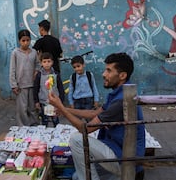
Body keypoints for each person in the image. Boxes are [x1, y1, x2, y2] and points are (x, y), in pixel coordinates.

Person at [48, 52, 145, 180]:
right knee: (77, 176)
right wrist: (65, 109)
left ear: (122, 75)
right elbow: (94, 113)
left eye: (109, 71)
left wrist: (61, 107)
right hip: (114, 150)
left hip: (123, 158)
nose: (104, 74)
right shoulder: (118, 93)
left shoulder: (121, 100)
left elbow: (85, 129)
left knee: (76, 139)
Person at [9, 29, 40, 126]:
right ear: (19, 41)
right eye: (23, 40)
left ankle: (35, 125)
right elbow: (12, 69)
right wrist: (13, 85)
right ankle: (23, 128)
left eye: (28, 40)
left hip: (32, 84)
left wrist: (36, 72)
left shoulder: (34, 52)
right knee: (22, 108)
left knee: (33, 108)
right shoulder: (15, 53)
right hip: (20, 85)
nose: (26, 43)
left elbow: (38, 65)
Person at [33, 52, 64, 127]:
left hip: (55, 102)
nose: (47, 64)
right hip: (44, 102)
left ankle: (57, 135)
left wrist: (61, 102)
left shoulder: (56, 74)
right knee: (45, 121)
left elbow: (60, 88)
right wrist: (36, 101)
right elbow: (36, 88)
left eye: (49, 61)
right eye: (44, 62)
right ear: (41, 63)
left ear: (52, 62)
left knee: (55, 120)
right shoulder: (39, 75)